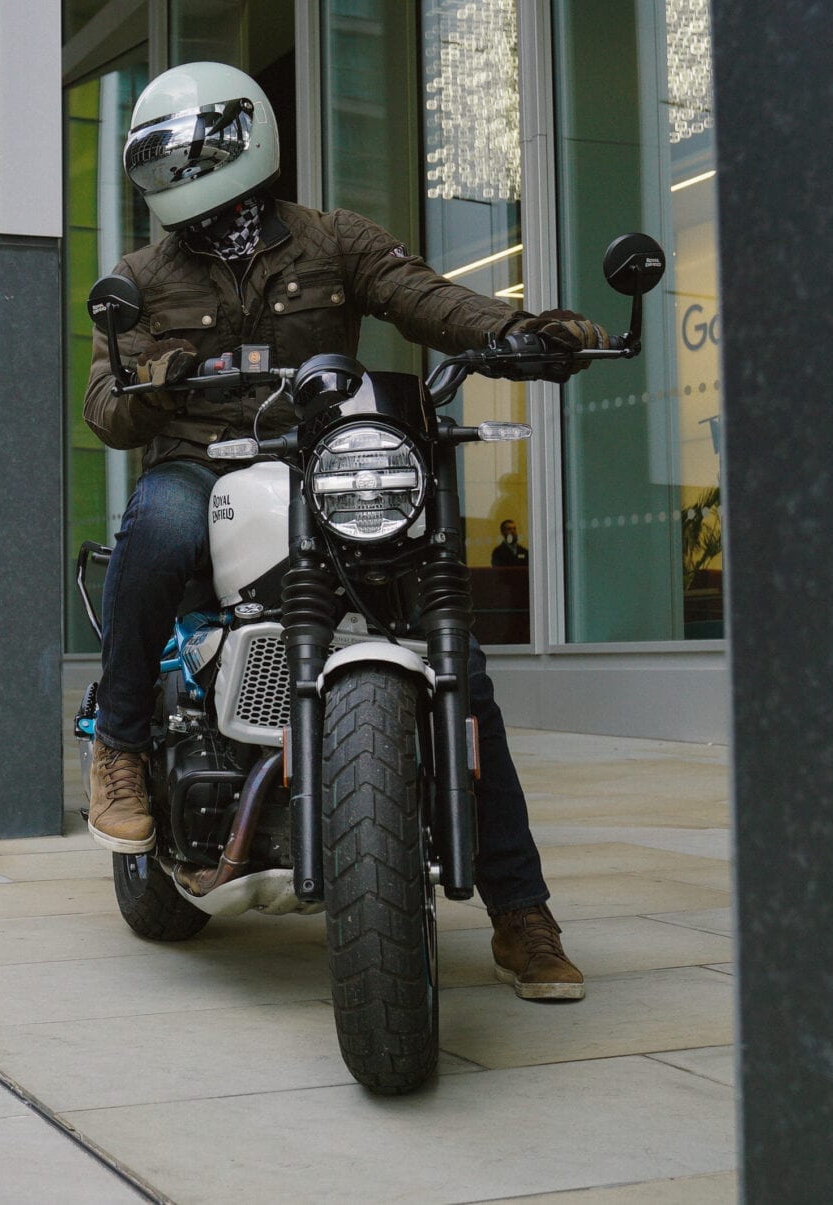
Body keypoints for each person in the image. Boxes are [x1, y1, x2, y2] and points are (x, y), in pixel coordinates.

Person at [84, 61, 613, 1001]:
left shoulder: (333, 241)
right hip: (199, 462)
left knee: (468, 679)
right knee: (157, 527)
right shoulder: (137, 278)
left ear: (246, 139)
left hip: (326, 464)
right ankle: (120, 746)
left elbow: (429, 299)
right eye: (163, 156)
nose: (182, 172)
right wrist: (154, 377)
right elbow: (104, 400)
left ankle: (521, 914)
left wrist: (525, 331)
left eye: (195, 150)